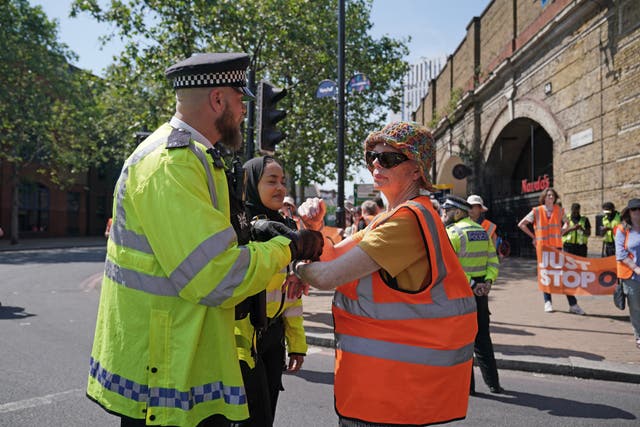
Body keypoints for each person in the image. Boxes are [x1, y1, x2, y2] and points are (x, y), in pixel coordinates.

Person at [86, 53, 323, 427]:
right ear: (218, 100)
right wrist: (288, 248)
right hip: (167, 371)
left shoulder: (196, 158)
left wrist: (254, 235)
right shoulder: (172, 163)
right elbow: (215, 275)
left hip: (179, 360)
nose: (244, 110)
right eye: (240, 99)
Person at [295, 121, 478, 426]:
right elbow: (333, 256)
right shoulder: (394, 217)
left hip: (388, 397)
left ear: (417, 170)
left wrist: (295, 265)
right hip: (384, 392)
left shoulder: (406, 221)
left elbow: (326, 276)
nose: (376, 164)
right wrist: (314, 230)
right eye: (372, 158)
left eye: (390, 158)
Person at [235, 156, 307, 426]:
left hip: (273, 343)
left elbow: (291, 295)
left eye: (283, 182)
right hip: (242, 346)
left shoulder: (286, 228)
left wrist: (297, 344)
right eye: (271, 181)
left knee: (266, 419)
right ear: (253, 184)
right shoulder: (237, 227)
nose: (280, 188)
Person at [441, 195, 503, 395]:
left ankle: (468, 387)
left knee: (462, 341)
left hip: (460, 296)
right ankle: (493, 384)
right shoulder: (482, 232)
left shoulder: (452, 233)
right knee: (483, 339)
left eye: (446, 211)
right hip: (481, 295)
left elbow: (450, 268)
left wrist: (472, 283)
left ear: (457, 212)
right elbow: (493, 261)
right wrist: (487, 282)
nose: (443, 215)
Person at [518, 188, 585, 315]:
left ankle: (573, 304)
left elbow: (567, 222)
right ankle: (547, 302)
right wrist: (534, 237)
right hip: (543, 248)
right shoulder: (536, 211)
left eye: (552, 195)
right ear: (544, 197)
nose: (550, 197)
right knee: (546, 275)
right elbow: (522, 224)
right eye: (548, 195)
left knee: (563, 275)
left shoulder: (559, 210)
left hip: (557, 247)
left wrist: (563, 230)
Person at [615, 198, 640, 350]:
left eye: (639, 209)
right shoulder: (622, 229)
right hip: (631, 276)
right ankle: (639, 335)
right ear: (629, 212)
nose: (637, 212)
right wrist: (636, 268)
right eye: (634, 210)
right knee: (636, 307)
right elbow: (621, 254)